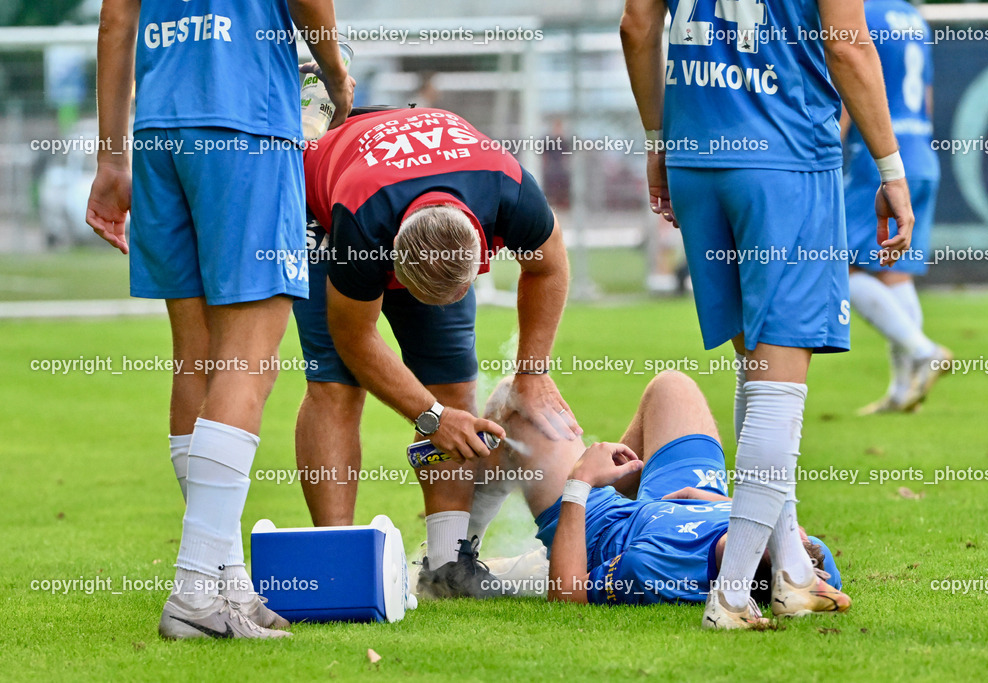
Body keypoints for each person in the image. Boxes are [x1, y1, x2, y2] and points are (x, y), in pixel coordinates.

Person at [620, 0, 914, 628]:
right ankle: (730, 594)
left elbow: (638, 25)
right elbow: (848, 45)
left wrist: (657, 141)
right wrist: (890, 168)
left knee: (756, 361)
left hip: (698, 156)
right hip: (784, 158)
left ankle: (790, 571)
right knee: (779, 375)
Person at [85, 0, 354, 640]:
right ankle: (193, 590)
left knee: (197, 359)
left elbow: (114, 20)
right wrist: (335, 74)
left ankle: (224, 580)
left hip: (158, 132)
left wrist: (111, 158)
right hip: (247, 125)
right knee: (248, 363)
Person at [294, 103, 580, 597]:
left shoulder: (506, 187)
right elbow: (354, 336)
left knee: (453, 381)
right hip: (327, 198)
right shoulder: (362, 221)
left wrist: (532, 372)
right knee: (336, 386)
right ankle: (334, 555)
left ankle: (446, 565)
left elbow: (548, 268)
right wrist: (430, 418)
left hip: (431, 176)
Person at [480, 372, 848, 624]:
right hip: (684, 500)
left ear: (752, 549)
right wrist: (710, 501)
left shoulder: (654, 568)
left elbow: (567, 597)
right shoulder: (807, 562)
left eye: (790, 537)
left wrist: (581, 482)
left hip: (607, 523)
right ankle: (617, 475)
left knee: (516, 399)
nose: (799, 532)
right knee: (673, 386)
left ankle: (458, 552)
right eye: (797, 536)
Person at [842, 0, 952, 415]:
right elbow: (925, 99)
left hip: (879, 160)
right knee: (894, 271)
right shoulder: (913, 16)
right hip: (922, 155)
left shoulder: (857, 11)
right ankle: (904, 390)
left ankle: (923, 351)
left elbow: (850, 75)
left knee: (838, 265)